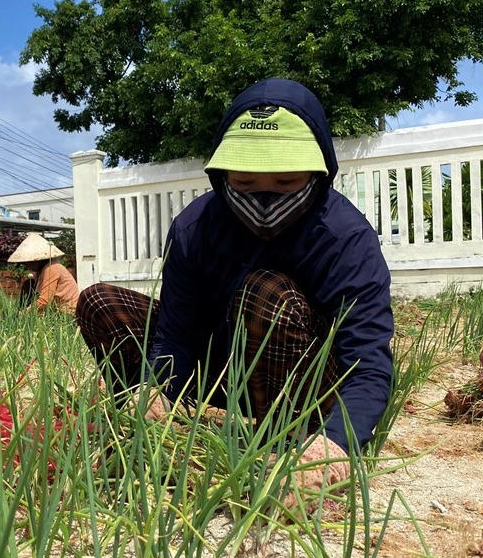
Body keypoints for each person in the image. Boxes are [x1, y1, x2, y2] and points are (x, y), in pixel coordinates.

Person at [75, 78, 393, 496]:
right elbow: (175, 333)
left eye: (285, 184)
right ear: (222, 177)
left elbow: (367, 360)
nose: (264, 198)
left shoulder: (344, 237)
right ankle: (153, 424)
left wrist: (336, 442)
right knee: (99, 301)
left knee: (265, 292)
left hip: (304, 376)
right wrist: (155, 387)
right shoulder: (194, 228)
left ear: (318, 175)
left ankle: (286, 440)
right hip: (221, 365)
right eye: (244, 184)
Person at [8, 232, 79, 313]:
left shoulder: (52, 268)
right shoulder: (40, 272)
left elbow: (44, 301)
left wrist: (23, 313)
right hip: (54, 311)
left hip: (67, 312)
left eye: (30, 261)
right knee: (28, 284)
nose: (27, 265)